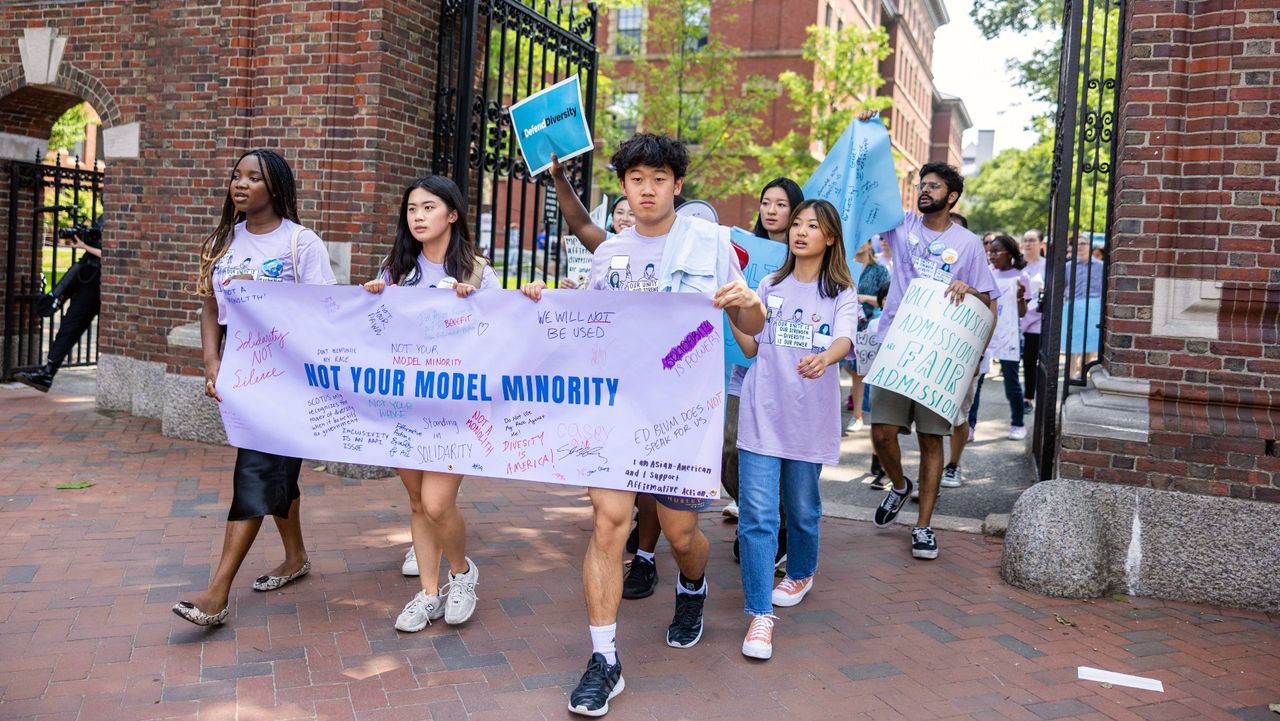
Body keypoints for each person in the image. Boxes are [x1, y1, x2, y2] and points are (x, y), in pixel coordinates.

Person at [522, 133, 765, 717]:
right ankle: (605, 660)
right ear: (624, 187)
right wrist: (544, 298)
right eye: (636, 180)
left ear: (677, 185)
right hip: (618, 407)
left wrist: (744, 301)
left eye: (659, 179)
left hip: (684, 412)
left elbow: (752, 338)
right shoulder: (610, 255)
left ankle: (692, 588)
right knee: (609, 522)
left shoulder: (712, 246)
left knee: (682, 535)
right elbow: (588, 325)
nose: (648, 189)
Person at [173, 149, 337, 626]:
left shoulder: (300, 244)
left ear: (276, 187)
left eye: (254, 177)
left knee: (255, 473)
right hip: (244, 381)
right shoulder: (223, 240)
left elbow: (323, 310)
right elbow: (210, 305)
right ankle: (296, 557)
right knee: (276, 475)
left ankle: (216, 594)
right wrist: (211, 362)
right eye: (236, 175)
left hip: (289, 383)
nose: (240, 184)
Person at [857, 112, 998, 563]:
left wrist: (969, 290)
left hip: (939, 356)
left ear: (952, 196)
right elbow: (869, 192)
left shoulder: (970, 245)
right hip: (897, 346)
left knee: (932, 440)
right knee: (881, 434)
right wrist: (873, 135)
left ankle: (924, 526)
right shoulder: (901, 228)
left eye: (934, 186)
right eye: (922, 184)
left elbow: (988, 303)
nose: (924, 190)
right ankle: (900, 486)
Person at [732, 199, 858, 660]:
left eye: (813, 226)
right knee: (758, 518)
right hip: (763, 412)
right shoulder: (768, 284)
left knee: (802, 511)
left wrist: (826, 357)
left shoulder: (841, 291)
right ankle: (760, 615)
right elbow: (750, 346)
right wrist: (734, 311)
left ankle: (802, 571)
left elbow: (844, 339)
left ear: (830, 238)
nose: (801, 231)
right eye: (797, 224)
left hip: (809, 419)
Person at [362, 176, 488, 632]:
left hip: (453, 409)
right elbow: (372, 330)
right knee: (417, 502)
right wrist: (373, 299)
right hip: (404, 405)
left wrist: (481, 305)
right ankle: (429, 593)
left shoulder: (476, 271)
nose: (417, 216)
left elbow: (504, 333)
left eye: (428, 207)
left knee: (438, 504)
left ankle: (462, 574)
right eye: (412, 208)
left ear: (452, 214)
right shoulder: (395, 268)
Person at [724, 177, 803, 560]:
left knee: (775, 454)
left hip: (783, 372)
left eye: (781, 204)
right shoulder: (739, 254)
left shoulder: (805, 259)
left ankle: (774, 529)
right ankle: (758, 516)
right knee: (726, 453)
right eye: (765, 202)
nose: (771, 211)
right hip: (741, 369)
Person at [14, 218, 104, 392]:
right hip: (87, 275)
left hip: (99, 283)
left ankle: (47, 372)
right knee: (69, 325)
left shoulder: (119, 216)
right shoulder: (104, 217)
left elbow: (112, 255)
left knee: (72, 325)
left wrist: (84, 246)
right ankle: (47, 372)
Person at [975, 235, 1030, 440]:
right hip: (987, 334)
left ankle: (1017, 423)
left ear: (1009, 252)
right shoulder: (988, 274)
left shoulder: (1021, 276)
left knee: (1011, 383)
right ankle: (970, 425)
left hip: (1009, 335)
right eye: (990, 251)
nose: (992, 255)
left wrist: (1020, 297)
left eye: (996, 251)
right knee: (977, 381)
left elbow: (1023, 313)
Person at [842, 238, 888, 432]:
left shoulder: (879, 270)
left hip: (866, 326)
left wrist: (864, 298)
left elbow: (887, 300)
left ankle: (858, 416)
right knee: (845, 368)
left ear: (870, 244)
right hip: (843, 323)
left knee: (859, 372)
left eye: (864, 240)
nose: (859, 244)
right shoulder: (844, 266)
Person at [1019, 230, 1045, 413]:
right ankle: (1014, 396)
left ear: (1040, 244)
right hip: (1015, 318)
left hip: (1037, 319)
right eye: (1026, 240)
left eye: (1032, 240)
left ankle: (1028, 397)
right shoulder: (1017, 265)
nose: (1028, 244)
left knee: (1030, 360)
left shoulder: (1047, 265)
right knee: (1011, 362)